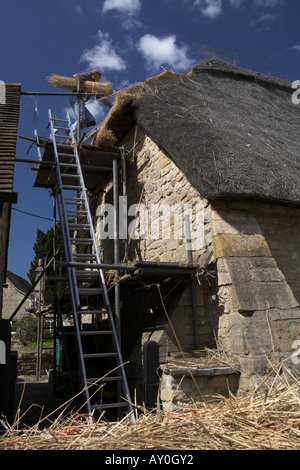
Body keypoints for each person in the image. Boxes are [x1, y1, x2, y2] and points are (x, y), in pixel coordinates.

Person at [69, 68, 112, 137]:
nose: (99, 79)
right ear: (95, 74)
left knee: (91, 121)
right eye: (99, 76)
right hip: (76, 97)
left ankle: (73, 129)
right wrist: (84, 87)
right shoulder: (89, 76)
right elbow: (76, 76)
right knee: (81, 119)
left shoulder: (94, 87)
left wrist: (111, 106)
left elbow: (102, 99)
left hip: (81, 101)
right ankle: (71, 136)